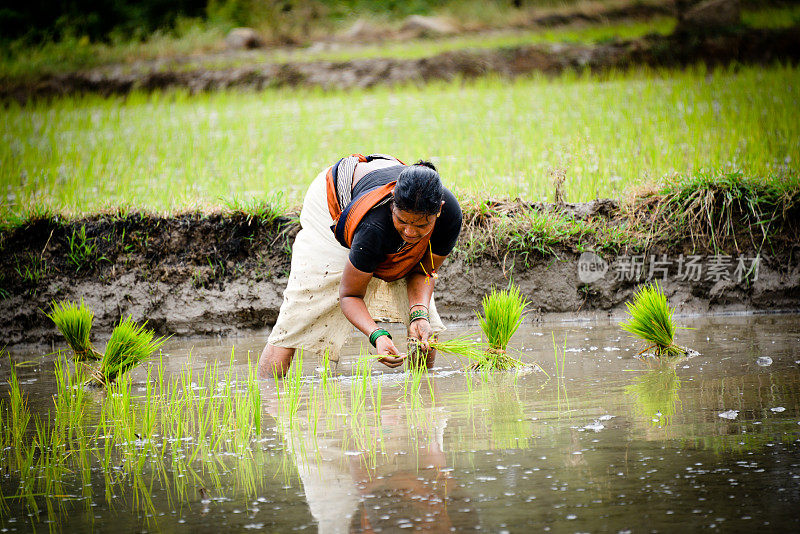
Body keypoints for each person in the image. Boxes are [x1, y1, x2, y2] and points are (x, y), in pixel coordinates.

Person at [258, 153, 462, 378]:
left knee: (425, 329)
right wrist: (377, 335)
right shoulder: (374, 227)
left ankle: (423, 395)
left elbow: (423, 271)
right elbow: (350, 295)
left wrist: (419, 315)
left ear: (439, 209)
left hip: (370, 200)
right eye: (402, 221)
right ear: (393, 200)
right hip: (331, 205)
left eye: (422, 225)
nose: (411, 232)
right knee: (297, 315)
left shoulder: (449, 216)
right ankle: (270, 395)